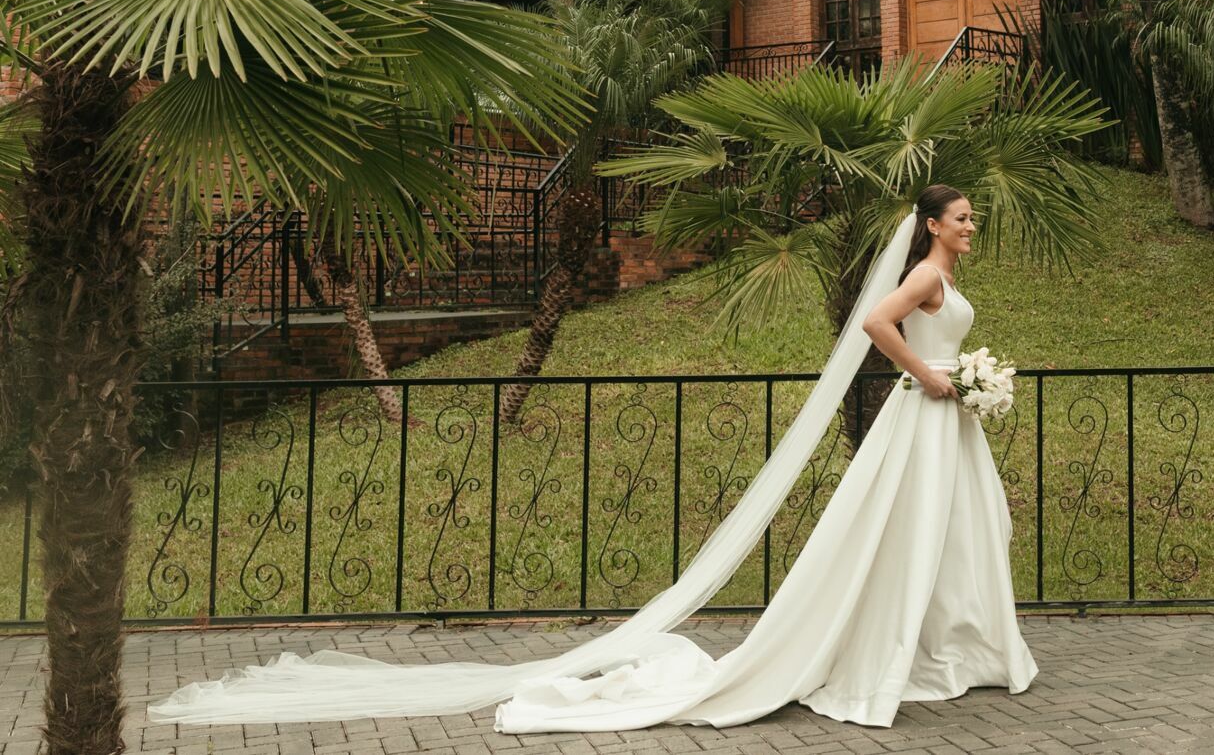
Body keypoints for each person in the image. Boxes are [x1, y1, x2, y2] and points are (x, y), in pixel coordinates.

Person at [148, 184, 1036, 734]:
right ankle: (905, 647)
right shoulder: (923, 273)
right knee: (914, 529)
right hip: (926, 413)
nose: (972, 224)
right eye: (962, 216)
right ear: (930, 225)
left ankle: (957, 643)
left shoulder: (948, 277)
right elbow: (878, 323)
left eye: (969, 217)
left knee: (962, 527)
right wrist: (930, 374)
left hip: (944, 420)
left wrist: (964, 380)